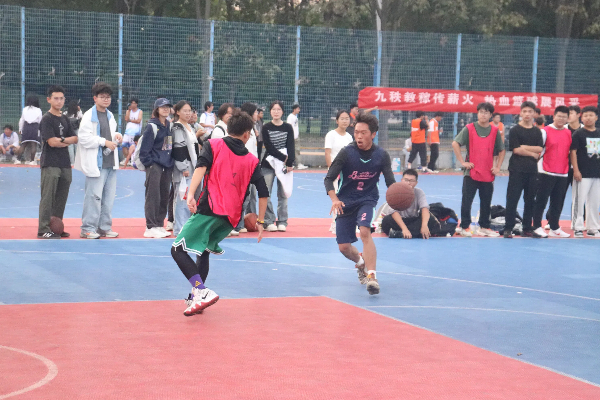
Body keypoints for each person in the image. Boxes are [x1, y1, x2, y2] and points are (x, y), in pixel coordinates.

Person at [171, 109, 269, 316]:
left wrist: (190, 194)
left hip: (210, 208)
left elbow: (200, 168)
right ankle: (196, 298)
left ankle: (201, 291)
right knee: (204, 250)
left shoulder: (213, 145)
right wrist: (260, 221)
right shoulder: (252, 160)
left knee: (177, 249)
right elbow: (263, 192)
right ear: (246, 134)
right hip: (231, 219)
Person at [324, 112, 395, 295]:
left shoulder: (381, 155)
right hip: (345, 202)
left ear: (373, 134)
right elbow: (329, 179)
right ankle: (361, 263)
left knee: (365, 231)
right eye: (356, 132)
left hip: (367, 199)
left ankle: (372, 277)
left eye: (363, 133)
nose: (359, 136)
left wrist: (398, 197)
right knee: (344, 247)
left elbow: (391, 183)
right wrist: (335, 199)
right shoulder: (346, 153)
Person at [75, 82, 122, 239]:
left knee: (108, 198)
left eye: (108, 97)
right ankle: (87, 228)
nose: (106, 99)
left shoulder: (110, 115)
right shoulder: (89, 116)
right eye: (102, 97)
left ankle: (104, 227)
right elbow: (84, 138)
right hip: (96, 163)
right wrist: (104, 142)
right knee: (93, 197)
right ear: (95, 98)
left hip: (110, 163)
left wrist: (117, 136)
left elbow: (110, 133)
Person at [452, 102, 505, 237]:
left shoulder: (494, 131)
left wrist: (498, 167)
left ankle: (484, 226)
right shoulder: (469, 128)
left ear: (491, 115)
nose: (483, 115)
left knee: (486, 202)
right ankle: (464, 226)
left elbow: (502, 150)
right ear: (477, 113)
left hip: (488, 172)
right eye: (481, 112)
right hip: (471, 172)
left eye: (486, 112)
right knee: (467, 201)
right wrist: (462, 162)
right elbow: (455, 143)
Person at [37, 85, 78, 239]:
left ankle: (56, 226)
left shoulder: (65, 118)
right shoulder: (46, 119)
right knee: (48, 197)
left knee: (62, 197)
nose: (59, 101)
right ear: (49, 100)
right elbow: (51, 142)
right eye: (56, 98)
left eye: (61, 98)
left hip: (65, 162)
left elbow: (75, 138)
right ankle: (43, 228)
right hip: (50, 162)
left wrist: (61, 140)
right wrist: (64, 141)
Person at [504, 101, 544, 238]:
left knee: (530, 200)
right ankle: (508, 228)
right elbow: (516, 149)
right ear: (521, 113)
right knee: (512, 199)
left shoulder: (537, 131)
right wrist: (532, 154)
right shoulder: (515, 130)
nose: (527, 114)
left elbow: (539, 148)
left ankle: (527, 228)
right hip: (517, 170)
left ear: (534, 114)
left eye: (530, 111)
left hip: (532, 170)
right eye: (525, 111)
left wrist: (524, 147)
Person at [531, 105, 572, 238]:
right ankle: (537, 226)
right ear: (554, 116)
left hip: (563, 172)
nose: (561, 119)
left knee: (557, 202)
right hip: (545, 171)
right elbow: (538, 150)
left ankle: (554, 227)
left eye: (564, 117)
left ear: (568, 118)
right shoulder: (544, 131)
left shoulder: (568, 132)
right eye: (559, 116)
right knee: (541, 201)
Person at [139, 98, 174, 238]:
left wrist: (169, 161)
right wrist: (151, 164)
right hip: (155, 165)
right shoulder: (152, 126)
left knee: (164, 195)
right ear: (157, 109)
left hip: (166, 165)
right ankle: (150, 226)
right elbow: (144, 150)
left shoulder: (168, 126)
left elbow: (168, 146)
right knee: (153, 196)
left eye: (167, 107)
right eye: (162, 107)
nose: (165, 109)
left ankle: (159, 224)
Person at [261, 101, 295, 232]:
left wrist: (289, 162)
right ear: (270, 112)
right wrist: (284, 158)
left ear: (282, 112)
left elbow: (291, 145)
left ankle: (282, 221)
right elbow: (269, 147)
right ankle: (269, 221)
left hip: (284, 165)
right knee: (266, 193)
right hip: (268, 164)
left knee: (283, 194)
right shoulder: (266, 127)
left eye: (278, 109)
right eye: (274, 109)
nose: (276, 112)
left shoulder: (288, 127)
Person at [380, 169, 439, 239]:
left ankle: (399, 234)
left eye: (411, 181)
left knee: (431, 220)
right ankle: (414, 233)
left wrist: (424, 225)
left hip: (412, 220)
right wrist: (404, 229)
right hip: (399, 220)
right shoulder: (395, 192)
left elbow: (425, 209)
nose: (408, 183)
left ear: (416, 183)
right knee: (386, 221)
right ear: (402, 180)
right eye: (406, 180)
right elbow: (393, 212)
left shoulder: (419, 192)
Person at [570, 106, 600, 238]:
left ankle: (592, 227)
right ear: (582, 118)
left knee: (594, 202)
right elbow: (573, 152)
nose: (588, 118)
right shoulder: (578, 134)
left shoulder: (599, 133)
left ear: (596, 118)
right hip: (582, 174)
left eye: (591, 115)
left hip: (597, 173)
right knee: (579, 201)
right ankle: (577, 227)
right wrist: (576, 170)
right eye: (586, 115)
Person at [171, 100, 199, 236]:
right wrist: (183, 167)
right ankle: (179, 228)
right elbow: (178, 148)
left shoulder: (190, 127)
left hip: (193, 167)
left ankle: (186, 227)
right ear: (178, 112)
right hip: (185, 168)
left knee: (190, 198)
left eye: (190, 111)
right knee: (182, 198)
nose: (188, 113)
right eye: (185, 111)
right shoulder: (177, 128)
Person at [232, 102, 260, 235]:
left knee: (250, 197)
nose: (257, 114)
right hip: (245, 168)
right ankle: (237, 224)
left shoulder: (253, 129)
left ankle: (249, 221)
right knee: (243, 198)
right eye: (255, 112)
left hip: (253, 167)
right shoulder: (244, 131)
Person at [324, 110, 353, 233]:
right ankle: (335, 224)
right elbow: (328, 153)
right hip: (335, 172)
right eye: (342, 118)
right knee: (336, 198)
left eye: (347, 118)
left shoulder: (349, 137)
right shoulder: (331, 135)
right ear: (337, 121)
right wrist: (332, 170)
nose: (345, 121)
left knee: (347, 198)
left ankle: (347, 224)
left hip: (347, 173)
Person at [19, 95, 43, 165]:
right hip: (35, 127)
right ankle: (32, 161)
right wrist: (40, 131)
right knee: (33, 144)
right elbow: (40, 121)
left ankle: (18, 159)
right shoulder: (38, 110)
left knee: (23, 144)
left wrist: (20, 129)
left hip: (26, 127)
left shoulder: (25, 109)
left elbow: (22, 120)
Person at [121, 97, 143, 166]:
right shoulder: (128, 111)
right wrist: (129, 110)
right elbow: (126, 119)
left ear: (136, 104)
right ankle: (127, 159)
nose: (132, 105)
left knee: (133, 146)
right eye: (131, 103)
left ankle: (133, 160)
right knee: (123, 145)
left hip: (135, 132)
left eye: (134, 103)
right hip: (127, 132)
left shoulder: (140, 111)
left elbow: (138, 120)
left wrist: (131, 120)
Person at [287, 103, 307, 170]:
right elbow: (289, 126)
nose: (299, 110)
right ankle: (294, 164)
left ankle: (297, 163)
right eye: (298, 109)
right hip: (292, 137)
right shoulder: (290, 117)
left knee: (297, 150)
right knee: (293, 151)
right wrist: (291, 136)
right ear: (294, 109)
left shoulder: (295, 117)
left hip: (296, 136)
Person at [63, 100, 82, 166]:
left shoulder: (65, 113)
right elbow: (82, 118)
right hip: (76, 130)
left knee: (70, 146)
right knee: (77, 145)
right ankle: (77, 162)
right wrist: (79, 110)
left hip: (68, 130)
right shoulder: (77, 113)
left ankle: (72, 162)